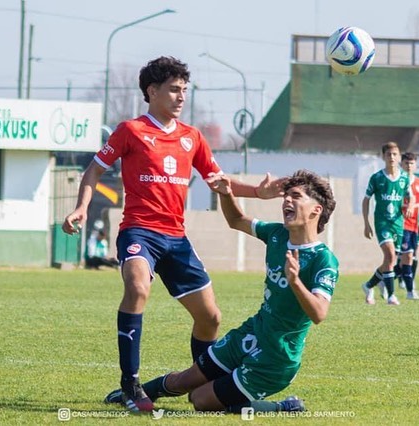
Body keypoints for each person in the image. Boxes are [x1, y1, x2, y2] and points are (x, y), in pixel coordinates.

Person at [61, 56, 285, 412]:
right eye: (174, 90)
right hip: (139, 231)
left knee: (210, 317)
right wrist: (81, 207)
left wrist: (259, 192)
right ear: (152, 91)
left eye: (184, 90)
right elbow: (92, 171)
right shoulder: (131, 131)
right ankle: (131, 383)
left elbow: (219, 182)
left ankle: (206, 380)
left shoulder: (191, 138)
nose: (181, 97)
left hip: (176, 239)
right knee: (137, 288)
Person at [104, 170, 339, 413]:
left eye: (296, 196)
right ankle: (133, 393)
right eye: (286, 196)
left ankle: (282, 407)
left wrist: (295, 282)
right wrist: (226, 195)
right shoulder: (276, 233)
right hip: (252, 331)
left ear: (316, 210)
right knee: (185, 380)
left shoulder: (324, 260)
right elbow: (236, 220)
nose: (286, 201)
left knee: (201, 400)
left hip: (277, 357)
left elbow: (319, 313)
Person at [361, 142, 413, 305]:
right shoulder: (377, 178)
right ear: (383, 157)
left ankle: (369, 285)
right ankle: (391, 295)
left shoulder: (404, 178)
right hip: (382, 222)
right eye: (388, 154)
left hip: (398, 223)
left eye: (394, 154)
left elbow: (409, 196)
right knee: (390, 255)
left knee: (389, 262)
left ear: (399, 157)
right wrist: (366, 223)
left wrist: (410, 205)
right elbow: (366, 200)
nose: (391, 157)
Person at [393, 152, 419, 300]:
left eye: (411, 163)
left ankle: (385, 279)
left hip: (414, 225)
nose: (409, 166)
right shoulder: (397, 181)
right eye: (406, 163)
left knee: (409, 257)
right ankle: (408, 289)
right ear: (401, 164)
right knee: (403, 257)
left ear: (416, 165)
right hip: (400, 224)